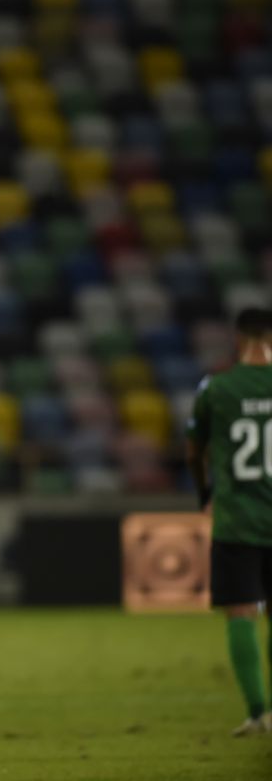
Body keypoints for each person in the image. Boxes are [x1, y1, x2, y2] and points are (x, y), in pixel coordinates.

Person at [187, 307, 272, 737]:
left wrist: (205, 494)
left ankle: (259, 712)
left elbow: (193, 448)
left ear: (239, 341)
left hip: (237, 520)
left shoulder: (217, 388)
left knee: (241, 613)